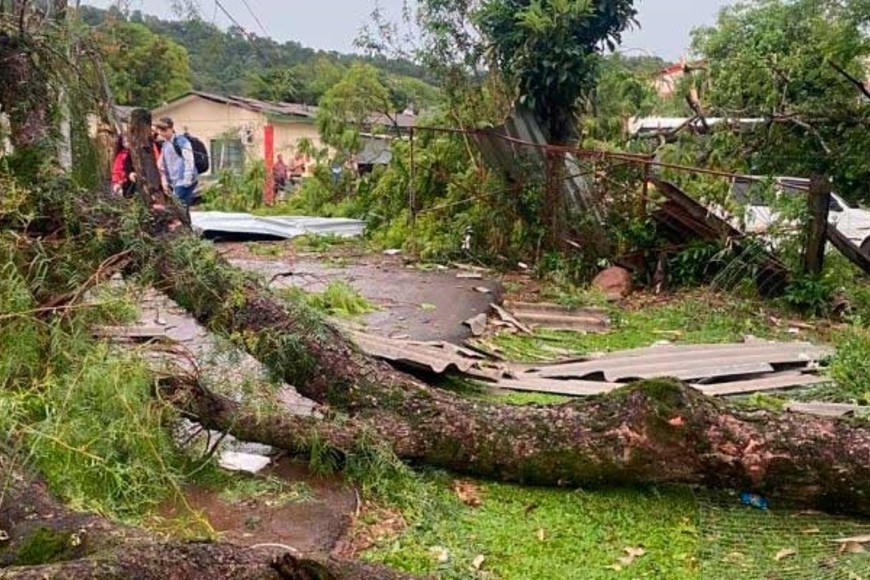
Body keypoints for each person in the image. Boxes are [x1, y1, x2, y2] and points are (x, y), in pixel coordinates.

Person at [153, 116, 198, 207]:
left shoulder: (181, 141)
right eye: (160, 130)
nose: (162, 133)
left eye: (164, 130)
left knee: (176, 207)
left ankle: (182, 221)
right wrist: (165, 181)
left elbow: (189, 159)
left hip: (184, 180)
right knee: (181, 207)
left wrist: (187, 179)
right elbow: (162, 165)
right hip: (174, 182)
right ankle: (185, 221)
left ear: (171, 128)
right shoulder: (165, 144)